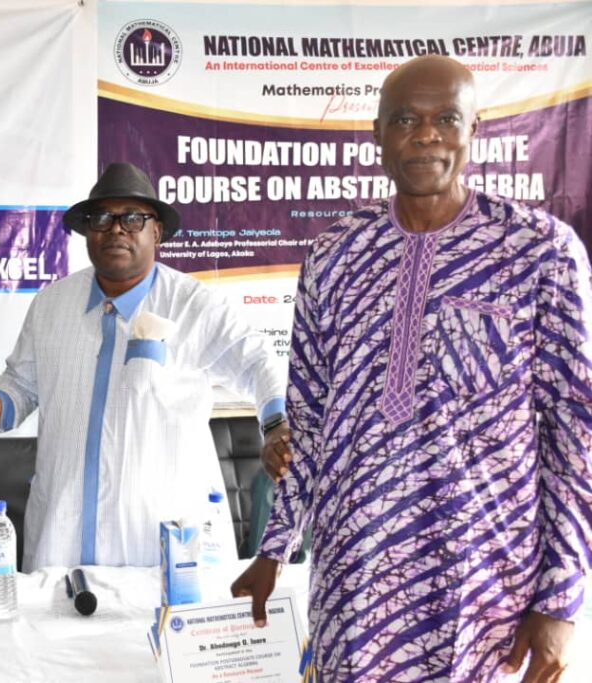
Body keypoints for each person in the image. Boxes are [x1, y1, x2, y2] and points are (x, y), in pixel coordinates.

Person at [233, 55, 591, 682]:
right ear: (377, 134)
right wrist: (274, 547)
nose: (426, 135)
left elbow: (574, 435)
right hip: (355, 574)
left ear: (473, 130)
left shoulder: (541, 251)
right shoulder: (334, 255)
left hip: (483, 581)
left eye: (446, 118)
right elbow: (309, 421)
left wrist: (560, 599)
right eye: (405, 119)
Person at [0, 162, 291, 571]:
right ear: (86, 232)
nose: (116, 229)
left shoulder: (193, 305)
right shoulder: (51, 305)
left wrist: (275, 428)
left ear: (157, 232)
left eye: (133, 218)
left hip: (161, 539)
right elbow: (22, 384)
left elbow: (257, 362)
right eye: (102, 218)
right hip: (63, 535)